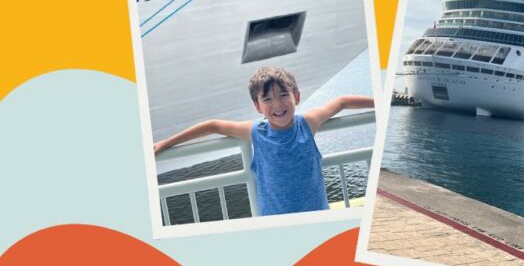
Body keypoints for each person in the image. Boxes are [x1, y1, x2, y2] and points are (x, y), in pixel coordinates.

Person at [153, 66, 375, 216]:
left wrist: (381, 102)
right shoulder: (256, 132)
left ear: (296, 97)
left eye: (283, 95)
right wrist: (166, 143)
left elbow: (342, 101)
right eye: (267, 99)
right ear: (258, 106)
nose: (277, 104)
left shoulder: (308, 123)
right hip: (275, 220)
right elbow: (213, 125)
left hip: (317, 213)